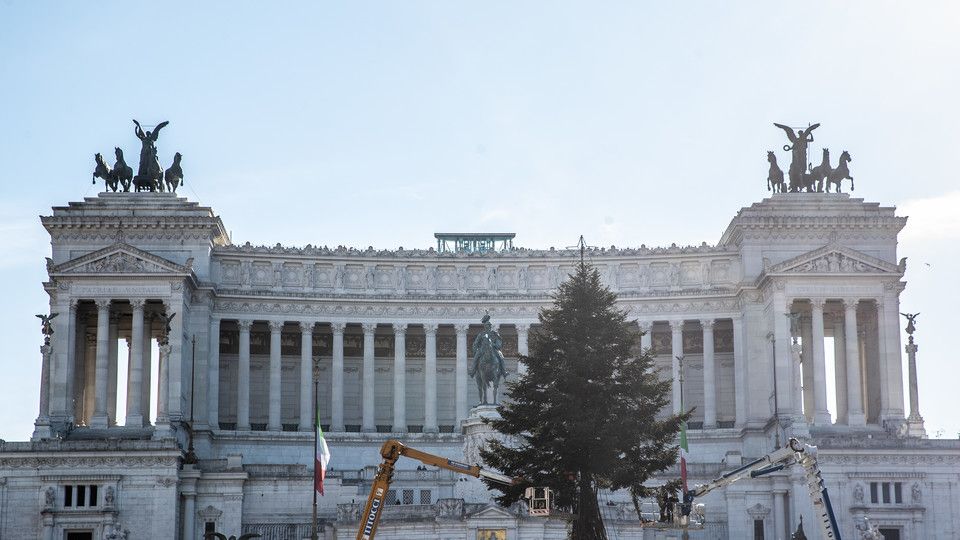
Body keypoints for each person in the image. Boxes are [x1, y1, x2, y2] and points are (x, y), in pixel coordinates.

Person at [470, 315, 507, 381]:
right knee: (475, 358)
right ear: (485, 327)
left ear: (490, 326)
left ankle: (504, 371)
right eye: (486, 326)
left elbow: (499, 342)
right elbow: (476, 343)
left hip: (493, 349)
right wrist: (475, 350)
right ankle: (472, 371)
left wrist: (495, 345)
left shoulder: (494, 334)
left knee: (501, 357)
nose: (488, 327)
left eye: (489, 326)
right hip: (482, 350)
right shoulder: (481, 334)